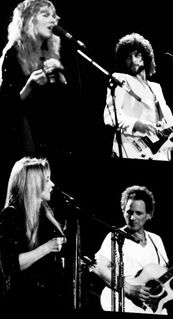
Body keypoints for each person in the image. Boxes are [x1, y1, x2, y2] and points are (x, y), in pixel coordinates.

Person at [103, 32, 173, 161]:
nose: (133, 60)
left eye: (137, 55)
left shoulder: (156, 87)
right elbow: (110, 116)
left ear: (146, 56)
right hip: (130, 150)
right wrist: (136, 124)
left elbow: (168, 122)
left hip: (159, 155)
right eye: (128, 57)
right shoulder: (120, 79)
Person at [92, 185, 173, 315]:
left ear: (149, 215)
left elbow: (166, 279)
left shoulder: (156, 240)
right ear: (123, 210)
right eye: (129, 212)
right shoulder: (115, 236)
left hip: (153, 309)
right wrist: (129, 289)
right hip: (124, 305)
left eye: (138, 213)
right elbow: (99, 268)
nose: (132, 218)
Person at [0, 0, 72, 161]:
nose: (53, 21)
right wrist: (29, 86)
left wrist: (62, 79)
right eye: (46, 15)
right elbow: (6, 108)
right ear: (29, 19)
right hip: (27, 141)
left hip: (54, 139)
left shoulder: (52, 52)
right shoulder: (12, 55)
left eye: (54, 16)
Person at [0, 156, 67, 311]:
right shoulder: (11, 215)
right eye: (47, 179)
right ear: (33, 184)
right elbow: (11, 265)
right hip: (25, 300)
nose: (52, 184)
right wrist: (47, 247)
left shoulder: (45, 213)